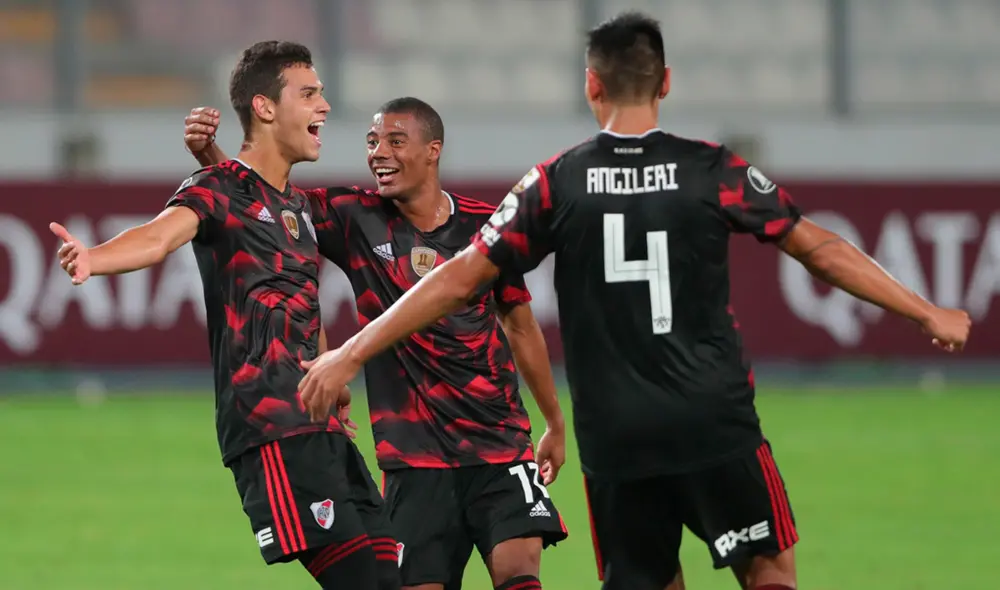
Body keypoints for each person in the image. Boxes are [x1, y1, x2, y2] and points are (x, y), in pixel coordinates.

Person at [292, 11, 974, 590]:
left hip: (617, 437)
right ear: (666, 82)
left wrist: (349, 352)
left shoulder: (555, 182)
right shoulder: (714, 168)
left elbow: (457, 280)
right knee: (769, 573)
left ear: (591, 83)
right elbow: (817, 246)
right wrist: (923, 310)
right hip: (714, 420)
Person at [51, 41, 398, 590]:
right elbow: (161, 235)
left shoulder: (295, 208)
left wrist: (331, 376)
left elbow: (297, 295)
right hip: (271, 428)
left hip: (321, 426)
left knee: (391, 577)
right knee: (361, 581)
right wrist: (93, 258)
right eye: (309, 94)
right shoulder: (217, 189)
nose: (324, 107)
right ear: (264, 108)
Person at [182, 96, 567, 590]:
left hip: (499, 447)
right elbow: (265, 211)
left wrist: (554, 422)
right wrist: (212, 156)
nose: (378, 152)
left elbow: (519, 326)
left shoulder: (483, 227)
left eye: (395, 141)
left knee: (520, 578)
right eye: (372, 141)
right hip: (412, 461)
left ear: (433, 151)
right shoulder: (354, 216)